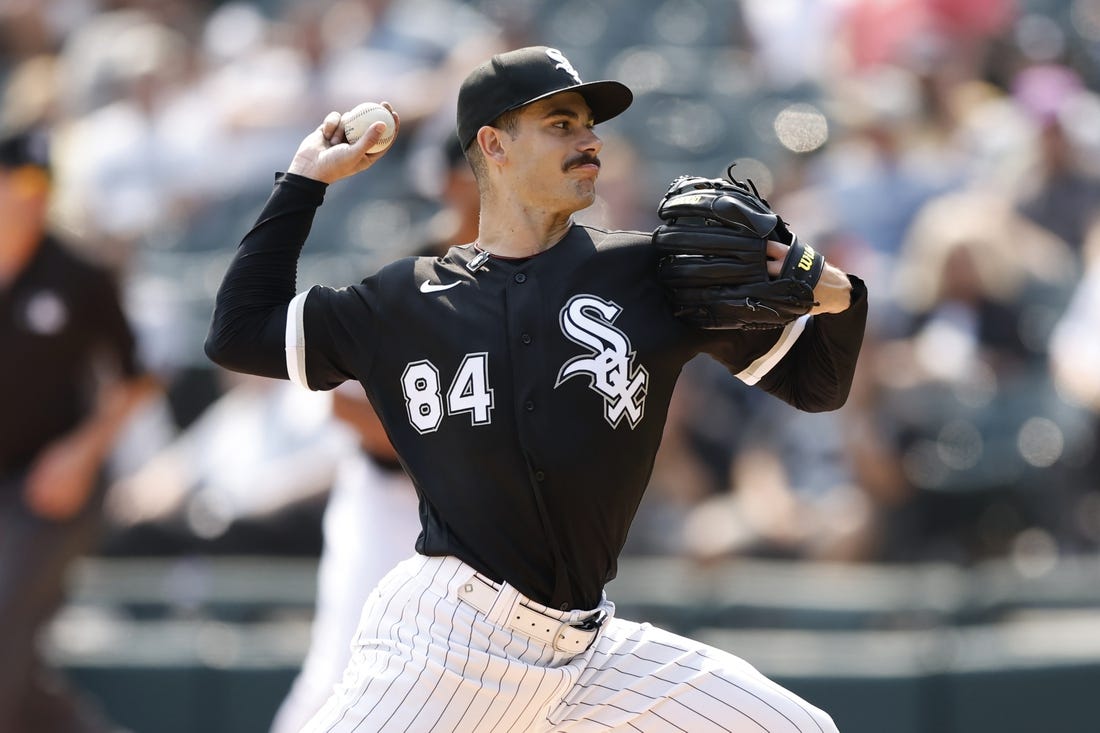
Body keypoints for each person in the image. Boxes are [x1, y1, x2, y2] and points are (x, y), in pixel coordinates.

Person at [206, 46, 867, 732]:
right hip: (448, 640)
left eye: (588, 123)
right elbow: (238, 332)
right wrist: (306, 178)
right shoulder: (404, 299)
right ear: (493, 144)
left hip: (587, 651)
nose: (589, 139)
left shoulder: (653, 274)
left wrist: (837, 293)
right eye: (560, 122)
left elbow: (818, 385)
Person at [0, 128, 158, 733]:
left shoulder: (78, 274)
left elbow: (139, 378)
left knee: (6, 629)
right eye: (19, 184)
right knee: (14, 658)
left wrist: (80, 452)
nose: (31, 198)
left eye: (42, 186)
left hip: (51, 489)